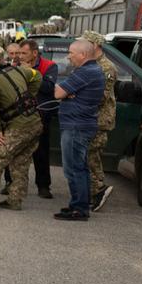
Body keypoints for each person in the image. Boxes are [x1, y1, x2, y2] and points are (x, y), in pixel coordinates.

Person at [0, 45, 42, 210]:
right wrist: (30, 96)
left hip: (18, 128)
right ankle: (15, 200)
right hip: (35, 123)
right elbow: (38, 76)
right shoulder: (19, 70)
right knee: (20, 162)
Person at [53, 39, 105, 220]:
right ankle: (77, 204)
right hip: (79, 125)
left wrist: (65, 92)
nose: (68, 57)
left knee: (74, 168)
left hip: (76, 127)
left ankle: (80, 209)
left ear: (82, 55)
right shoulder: (90, 70)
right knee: (77, 167)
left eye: (71, 53)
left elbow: (58, 93)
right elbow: (64, 92)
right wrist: (68, 92)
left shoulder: (85, 72)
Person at [81, 30, 117, 211]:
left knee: (91, 155)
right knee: (88, 155)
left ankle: (98, 189)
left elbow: (101, 96)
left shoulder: (106, 67)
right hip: (90, 117)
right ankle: (93, 190)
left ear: (95, 45)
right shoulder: (92, 64)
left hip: (99, 119)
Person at [20, 39, 58, 199]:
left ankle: (43, 186)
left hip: (41, 114)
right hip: (21, 115)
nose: (20, 56)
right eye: (20, 53)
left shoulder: (50, 66)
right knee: (18, 153)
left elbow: (48, 88)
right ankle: (14, 186)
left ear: (34, 53)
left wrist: (31, 73)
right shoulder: (16, 66)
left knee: (41, 151)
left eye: (24, 53)